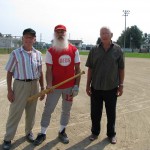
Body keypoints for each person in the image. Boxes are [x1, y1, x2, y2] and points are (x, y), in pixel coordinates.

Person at [34, 24, 81, 145]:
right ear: (55, 34)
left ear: (66, 34)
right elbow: (48, 70)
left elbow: (78, 69)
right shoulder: (50, 51)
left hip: (69, 87)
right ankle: (43, 133)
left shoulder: (74, 50)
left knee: (66, 109)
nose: (60, 34)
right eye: (58, 32)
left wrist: (76, 86)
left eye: (62, 32)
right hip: (54, 87)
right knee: (48, 109)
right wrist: (49, 84)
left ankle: (62, 131)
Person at [2, 28, 45, 150]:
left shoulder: (38, 54)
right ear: (23, 38)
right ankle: (8, 138)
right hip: (20, 85)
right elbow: (9, 72)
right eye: (26, 37)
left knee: (31, 111)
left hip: (34, 85)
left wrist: (42, 88)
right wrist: (10, 91)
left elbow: (40, 72)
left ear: (34, 39)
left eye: (31, 37)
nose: (29, 39)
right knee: (15, 112)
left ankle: (28, 132)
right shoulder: (16, 53)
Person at [85, 26, 125, 144]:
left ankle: (111, 134)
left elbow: (121, 69)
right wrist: (88, 85)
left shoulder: (118, 50)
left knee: (111, 113)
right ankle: (95, 132)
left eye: (106, 33)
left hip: (111, 87)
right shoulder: (94, 50)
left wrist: (121, 85)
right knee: (95, 112)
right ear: (100, 35)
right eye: (102, 33)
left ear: (111, 35)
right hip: (96, 87)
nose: (104, 35)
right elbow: (90, 69)